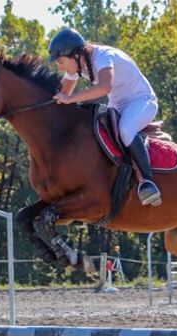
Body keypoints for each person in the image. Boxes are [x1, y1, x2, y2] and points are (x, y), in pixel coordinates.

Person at [49, 28, 162, 206]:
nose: (60, 67)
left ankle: (148, 182)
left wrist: (71, 99)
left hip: (141, 101)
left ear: (75, 55)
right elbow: (61, 96)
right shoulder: (76, 65)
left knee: (125, 129)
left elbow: (104, 87)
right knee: (95, 135)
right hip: (117, 105)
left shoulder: (103, 56)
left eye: (61, 62)